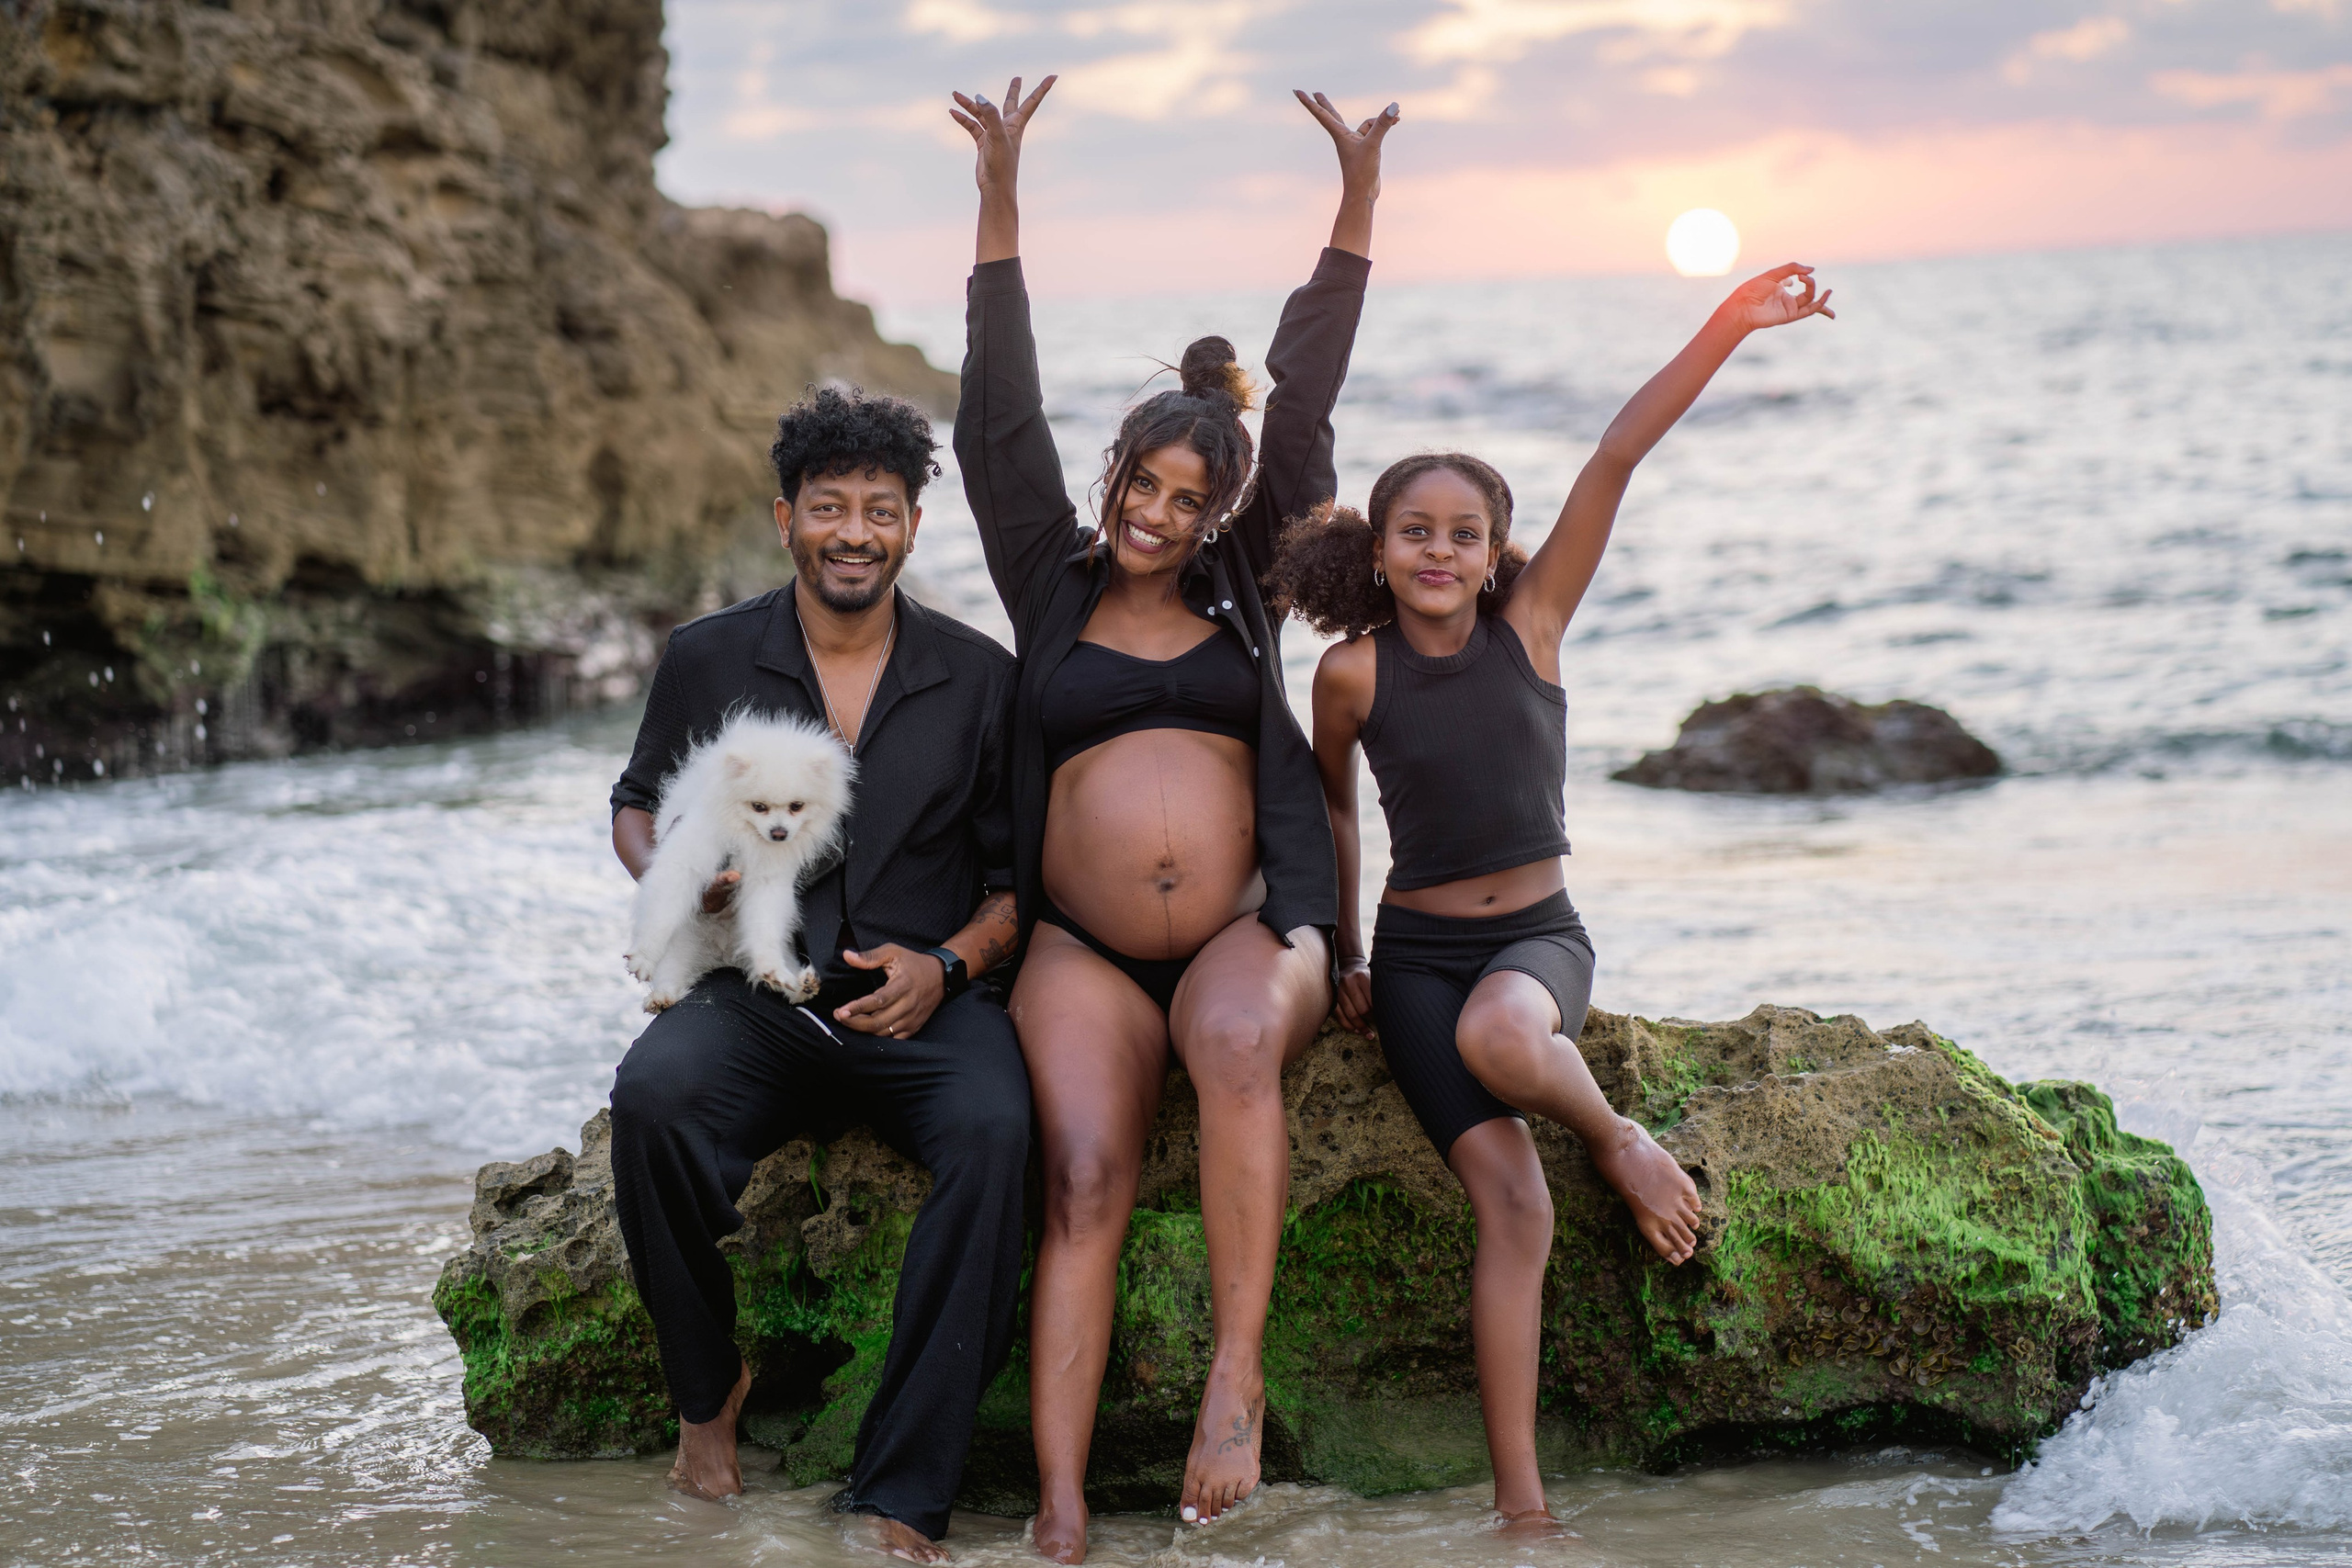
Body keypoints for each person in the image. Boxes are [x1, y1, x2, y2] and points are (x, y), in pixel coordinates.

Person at [1269, 264, 1837, 1533]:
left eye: (1463, 533)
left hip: (1536, 940)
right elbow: (1332, 811)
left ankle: (1620, 1138)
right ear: (1380, 545)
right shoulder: (1351, 677)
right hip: (1415, 959)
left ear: (1493, 553)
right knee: (1512, 1203)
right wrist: (1348, 946)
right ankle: (1524, 1507)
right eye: (1414, 529)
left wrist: (1731, 323)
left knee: (1506, 1036)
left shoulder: (1531, 627)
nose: (1439, 550)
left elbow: (1617, 453)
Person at [949, 74, 1396, 1562]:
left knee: (1228, 1047)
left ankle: (1234, 1380)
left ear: (1225, 506)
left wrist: (1354, 205)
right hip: (1078, 943)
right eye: (1143, 480)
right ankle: (1064, 1506)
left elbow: (1310, 392)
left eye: (1188, 494)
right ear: (1118, 474)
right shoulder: (1050, 578)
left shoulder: (1249, 585)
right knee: (1081, 1173)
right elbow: (995, 414)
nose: (1156, 510)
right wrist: (1001, 200)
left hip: (1240, 929)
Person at [605, 386, 1027, 1564]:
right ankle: (708, 1393)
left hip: (925, 1009)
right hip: (757, 998)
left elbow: (1015, 884)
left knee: (998, 1135)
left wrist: (947, 965)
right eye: (829, 507)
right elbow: (640, 807)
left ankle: (901, 1490)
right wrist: (683, 885)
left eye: (879, 510)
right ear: (784, 516)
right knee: (652, 1101)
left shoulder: (978, 676)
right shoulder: (707, 657)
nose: (854, 531)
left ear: (910, 525)